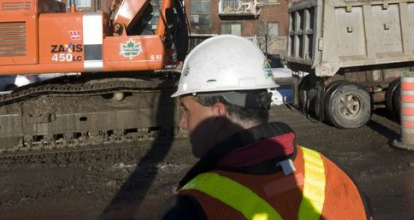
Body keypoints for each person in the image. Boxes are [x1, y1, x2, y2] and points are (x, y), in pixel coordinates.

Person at [160, 34, 373, 219]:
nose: (182, 123)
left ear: (218, 115)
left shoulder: (194, 208)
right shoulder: (332, 174)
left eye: (186, 110)